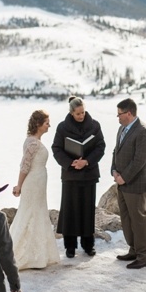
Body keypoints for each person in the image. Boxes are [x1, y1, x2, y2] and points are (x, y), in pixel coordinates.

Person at [51, 96, 106, 258]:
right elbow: (57, 148)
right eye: (78, 114)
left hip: (89, 174)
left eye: (83, 112)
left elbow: (100, 146)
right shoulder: (62, 128)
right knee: (70, 210)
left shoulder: (95, 125)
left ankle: (88, 245)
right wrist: (70, 162)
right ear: (71, 113)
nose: (81, 116)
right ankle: (70, 246)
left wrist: (87, 161)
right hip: (71, 174)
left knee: (87, 210)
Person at [10, 109, 60, 269]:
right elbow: (25, 166)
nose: (49, 126)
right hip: (33, 183)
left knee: (38, 212)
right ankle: (22, 254)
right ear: (38, 124)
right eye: (46, 123)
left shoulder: (34, 141)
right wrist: (19, 186)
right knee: (30, 213)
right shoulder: (32, 143)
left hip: (38, 182)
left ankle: (38, 253)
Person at [111, 97, 146, 269]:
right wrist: (114, 170)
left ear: (129, 113)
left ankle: (144, 256)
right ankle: (134, 250)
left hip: (135, 184)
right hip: (121, 182)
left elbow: (140, 160)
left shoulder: (143, 132)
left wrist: (124, 177)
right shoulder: (122, 128)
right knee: (126, 218)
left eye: (120, 114)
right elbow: (116, 151)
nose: (118, 117)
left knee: (138, 219)